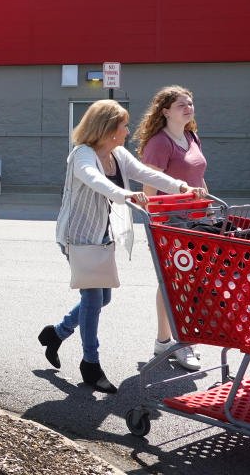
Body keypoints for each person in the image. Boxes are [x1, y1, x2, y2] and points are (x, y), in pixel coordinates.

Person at [38, 99, 205, 393]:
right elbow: (95, 181)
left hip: (103, 236)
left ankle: (57, 333)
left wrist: (180, 187)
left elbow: (146, 173)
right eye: (123, 125)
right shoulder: (82, 155)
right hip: (79, 236)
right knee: (92, 300)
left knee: (103, 299)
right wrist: (126, 195)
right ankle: (91, 365)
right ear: (107, 128)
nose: (127, 131)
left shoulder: (117, 154)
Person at [132, 85, 207, 372]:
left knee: (189, 283)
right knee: (175, 282)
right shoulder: (160, 143)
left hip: (198, 220)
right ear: (165, 111)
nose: (188, 108)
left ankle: (169, 340)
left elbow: (199, 178)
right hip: (172, 223)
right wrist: (155, 223)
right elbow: (149, 188)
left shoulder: (191, 136)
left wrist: (210, 209)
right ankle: (175, 341)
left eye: (190, 103)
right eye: (181, 105)